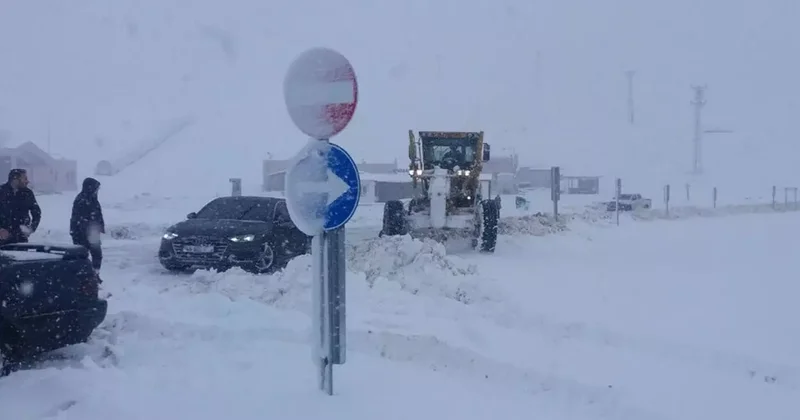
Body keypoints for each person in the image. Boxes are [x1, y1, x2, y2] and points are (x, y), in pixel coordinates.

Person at [70, 177, 105, 271]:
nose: (97, 191)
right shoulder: (81, 200)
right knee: (83, 256)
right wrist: (87, 231)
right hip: (82, 234)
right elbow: (79, 219)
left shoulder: (92, 199)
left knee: (97, 255)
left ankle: (94, 274)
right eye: (96, 188)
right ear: (90, 188)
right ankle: (85, 276)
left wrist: (100, 227)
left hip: (92, 232)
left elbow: (97, 215)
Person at [0, 169, 42, 245]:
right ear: (15, 179)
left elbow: (37, 212)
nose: (27, 181)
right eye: (25, 178)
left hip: (21, 238)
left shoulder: (28, 193)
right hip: (2, 239)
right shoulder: (1, 192)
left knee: (21, 256)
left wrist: (31, 228)